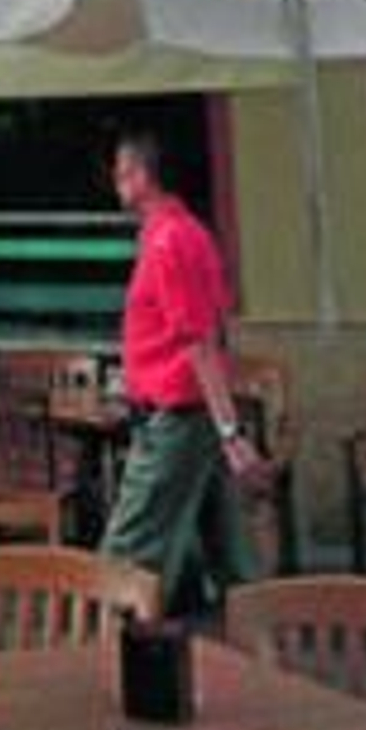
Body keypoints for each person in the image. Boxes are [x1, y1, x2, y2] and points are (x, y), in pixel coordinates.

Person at [102, 128, 263, 614]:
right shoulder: (172, 233)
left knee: (127, 555)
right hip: (185, 413)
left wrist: (231, 431)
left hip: (178, 417)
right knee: (225, 554)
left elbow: (200, 343)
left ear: (142, 176)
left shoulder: (171, 240)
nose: (115, 181)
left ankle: (109, 658)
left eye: (121, 171)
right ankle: (254, 645)